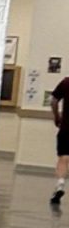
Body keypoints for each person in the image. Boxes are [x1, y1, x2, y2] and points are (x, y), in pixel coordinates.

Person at [52, 76, 68, 207]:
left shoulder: (66, 82)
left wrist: (57, 116)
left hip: (66, 128)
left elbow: (54, 100)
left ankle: (60, 185)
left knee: (63, 158)